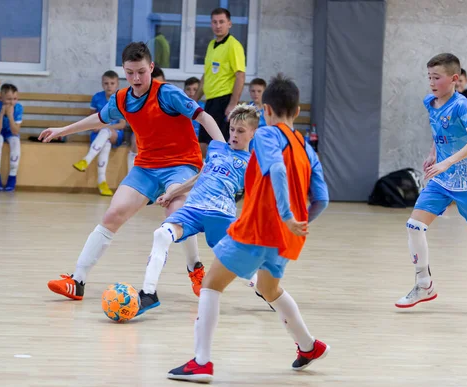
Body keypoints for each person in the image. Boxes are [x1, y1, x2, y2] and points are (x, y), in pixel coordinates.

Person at [167, 74, 330, 383]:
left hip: (258, 229)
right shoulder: (308, 148)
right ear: (297, 112)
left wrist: (283, 215)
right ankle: (309, 346)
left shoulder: (268, 136)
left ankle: (201, 363)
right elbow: (322, 199)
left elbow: (278, 169)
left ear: (266, 110)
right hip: (286, 238)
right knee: (269, 289)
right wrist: (299, 222)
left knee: (211, 284)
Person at [41, 42, 225, 301]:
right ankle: (77, 280)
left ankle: (194, 268)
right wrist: (62, 130)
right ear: (124, 71)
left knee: (177, 213)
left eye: (141, 71)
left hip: (181, 164)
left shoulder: (168, 94)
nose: (136, 78)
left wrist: (223, 152)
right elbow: (99, 119)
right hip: (146, 167)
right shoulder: (122, 98)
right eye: (130, 73)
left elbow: (204, 118)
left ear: (151, 67)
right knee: (114, 213)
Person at [137, 104, 257, 316]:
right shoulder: (217, 148)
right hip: (192, 209)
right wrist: (172, 194)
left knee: (242, 260)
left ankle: (266, 289)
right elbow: (202, 175)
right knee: (161, 234)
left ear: (252, 133)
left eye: (241, 131)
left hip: (221, 215)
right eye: (232, 129)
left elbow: (258, 195)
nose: (234, 135)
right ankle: (148, 294)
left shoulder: (252, 163)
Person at [395, 53, 467, 308]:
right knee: (414, 226)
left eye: (437, 77)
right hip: (441, 181)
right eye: (429, 77)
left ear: (454, 79)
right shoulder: (430, 102)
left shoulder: (462, 105)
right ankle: (424, 285)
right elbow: (439, 133)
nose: (431, 82)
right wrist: (434, 154)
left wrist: (447, 161)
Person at [195, 8, 246, 157]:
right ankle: (203, 177)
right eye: (215, 22)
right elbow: (207, 75)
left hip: (224, 101)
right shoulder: (211, 45)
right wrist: (193, 100)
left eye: (222, 22)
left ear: (229, 23)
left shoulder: (233, 46)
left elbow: (240, 75)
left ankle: (220, 178)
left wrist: (233, 103)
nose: (218, 25)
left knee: (219, 145)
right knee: (203, 143)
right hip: (210, 102)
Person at [73, 70, 126, 196]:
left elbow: (122, 124)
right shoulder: (97, 97)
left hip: (116, 134)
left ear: (117, 84)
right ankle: (102, 183)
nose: (109, 86)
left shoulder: (121, 99)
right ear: (102, 84)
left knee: (106, 131)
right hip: (99, 135)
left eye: (112, 83)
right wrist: (94, 126)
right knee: (105, 143)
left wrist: (104, 126)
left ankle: (86, 159)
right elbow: (91, 119)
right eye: (106, 83)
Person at [127, 65, 166, 173]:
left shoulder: (170, 96)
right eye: (156, 84)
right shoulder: (138, 97)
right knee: (136, 140)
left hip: (166, 135)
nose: (159, 87)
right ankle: (131, 178)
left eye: (161, 83)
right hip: (145, 132)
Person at [0, 83, 23, 191]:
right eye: (9, 99)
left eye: (15, 99)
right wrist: (2, 113)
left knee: (15, 142)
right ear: (0, 98)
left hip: (10, 132)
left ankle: (12, 177)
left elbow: (15, 131)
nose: (12, 102)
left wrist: (10, 115)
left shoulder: (18, 107)